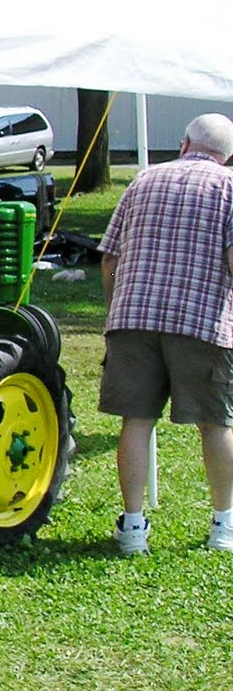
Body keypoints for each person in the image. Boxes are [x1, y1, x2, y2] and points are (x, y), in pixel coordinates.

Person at [99, 113, 233, 555]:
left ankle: (133, 527)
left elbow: (109, 258)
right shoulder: (230, 188)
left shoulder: (142, 180)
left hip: (133, 316)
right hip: (202, 321)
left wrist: (114, 309)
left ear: (184, 143)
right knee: (216, 424)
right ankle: (224, 525)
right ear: (229, 156)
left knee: (136, 422)